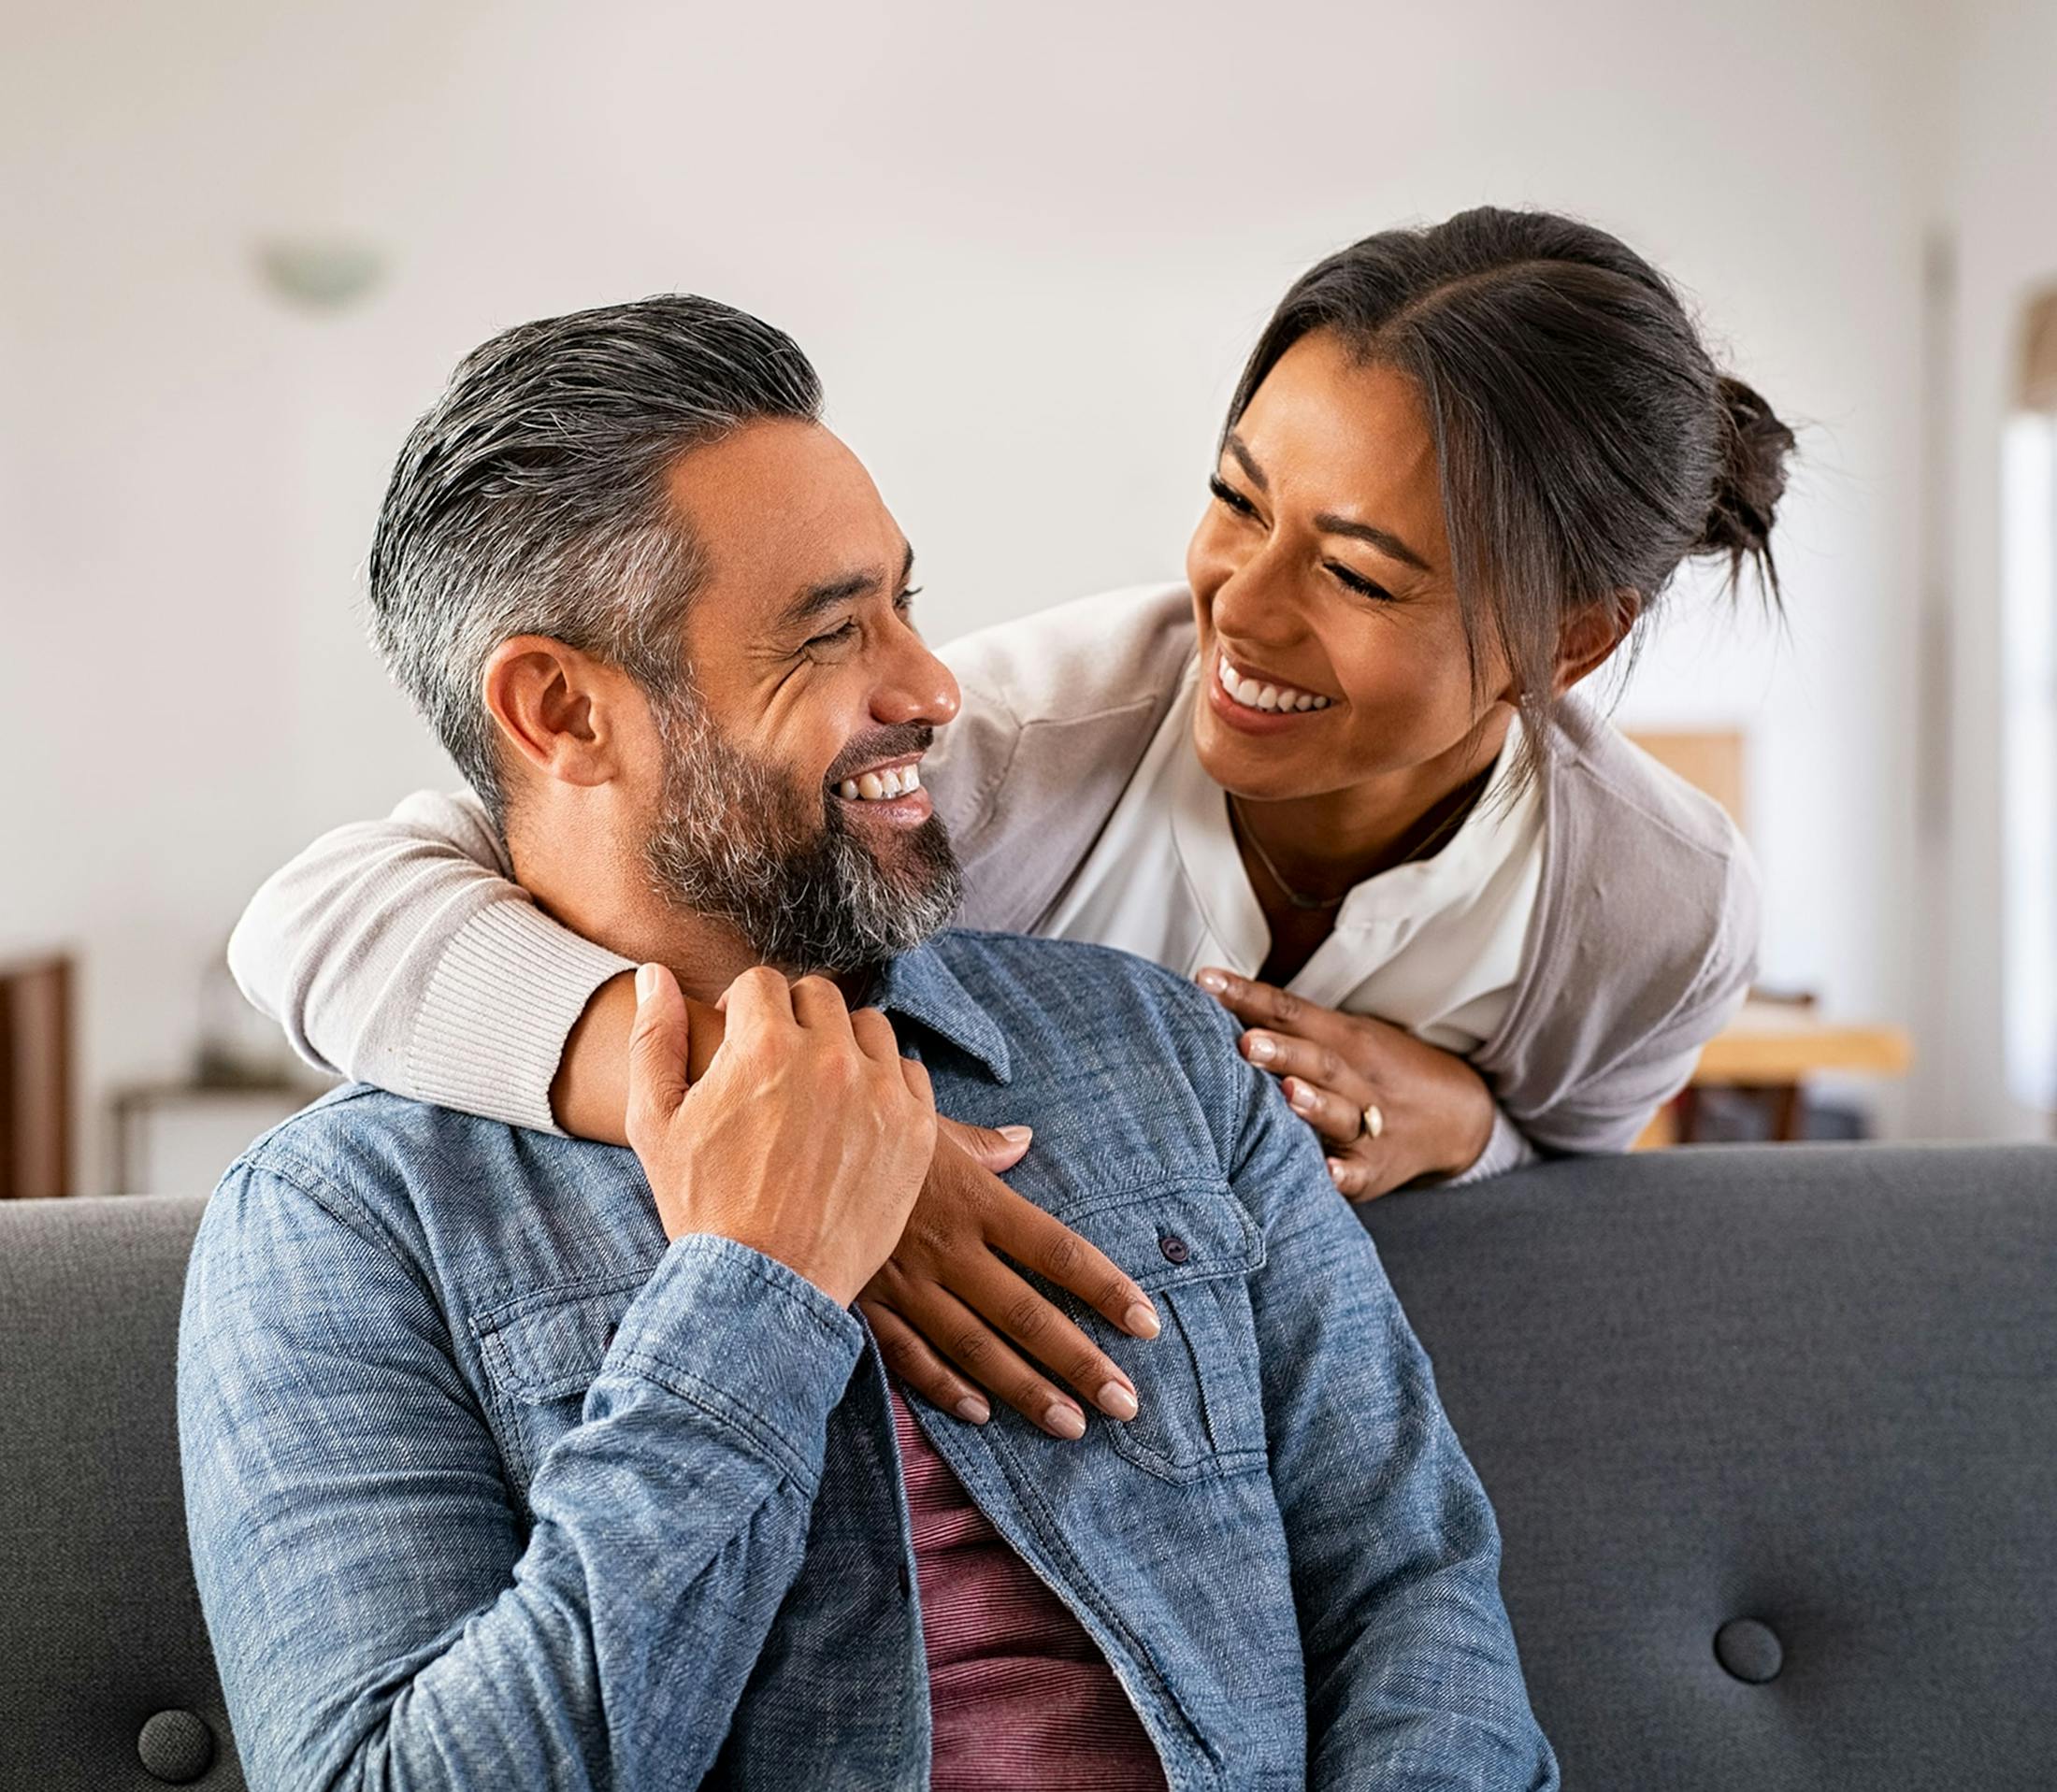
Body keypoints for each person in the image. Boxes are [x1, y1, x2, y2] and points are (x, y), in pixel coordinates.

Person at [179, 294, 1557, 1790]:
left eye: (905, 602)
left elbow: (1414, 1586)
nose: (932, 687)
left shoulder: (1159, 1049)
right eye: (834, 633)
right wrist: (750, 1294)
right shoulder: (342, 1225)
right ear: (563, 709)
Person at [229, 207, 1792, 1438]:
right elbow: (323, 915)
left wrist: (1472, 1128)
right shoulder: (1008, 749)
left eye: (1360, 572)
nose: (1236, 607)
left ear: (1567, 642)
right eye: (1236, 499)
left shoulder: (1655, 909)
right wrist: (801, 1129)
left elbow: (1579, 1191)